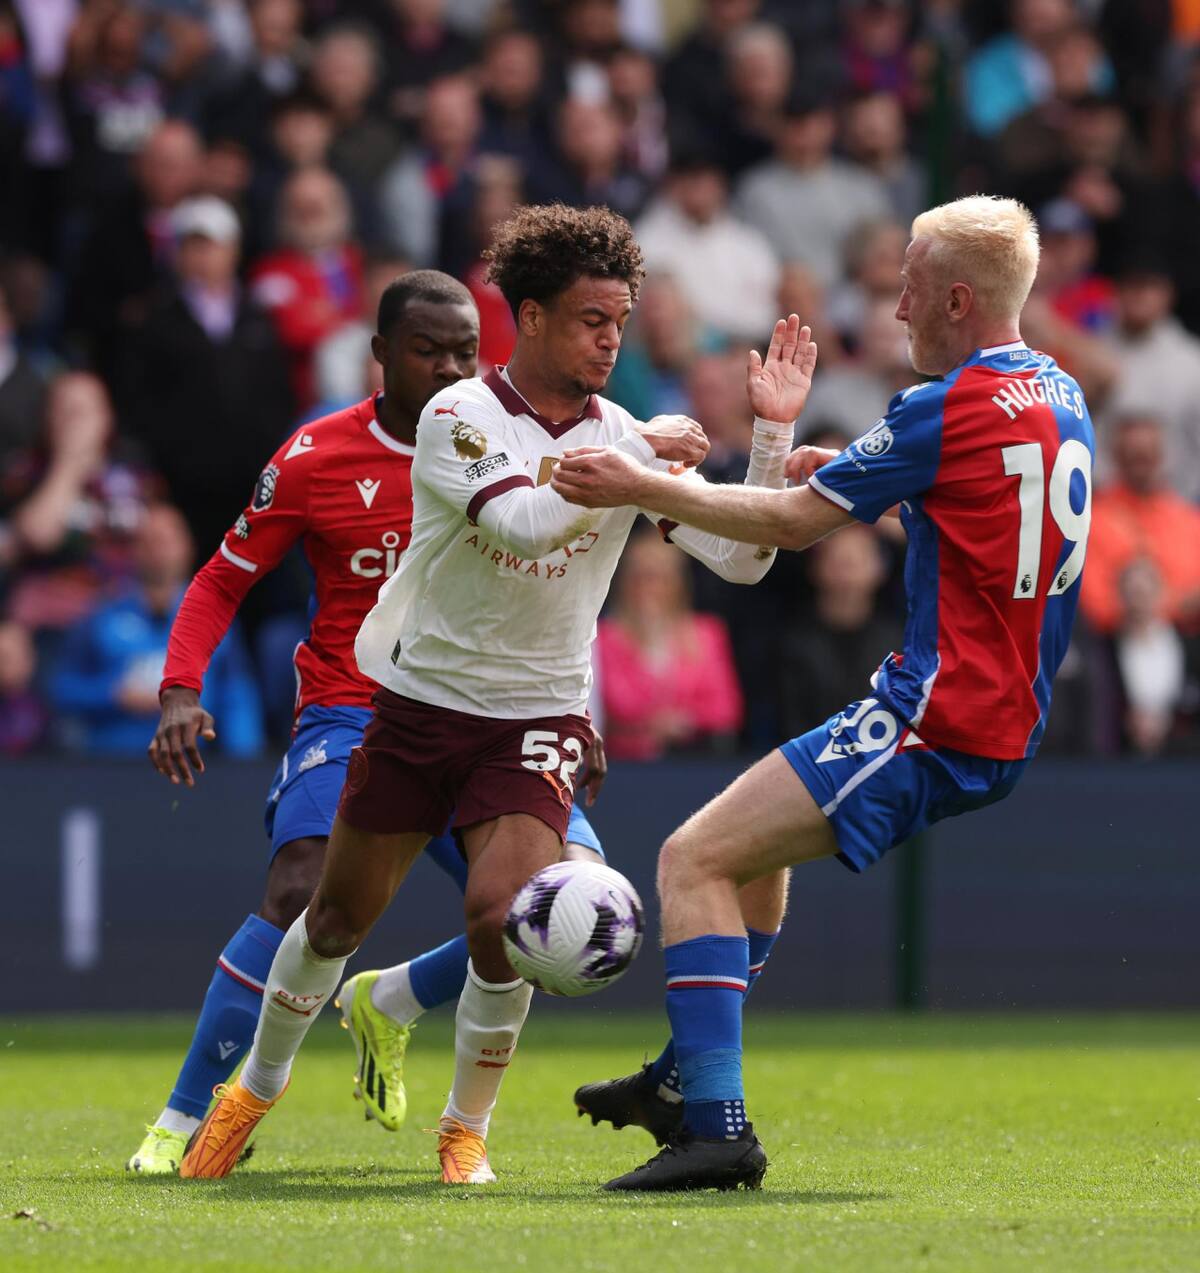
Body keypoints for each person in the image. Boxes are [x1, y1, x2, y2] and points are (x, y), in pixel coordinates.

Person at [178, 203, 801, 1186]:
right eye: (594, 320)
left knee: (506, 917)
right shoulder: (458, 414)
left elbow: (743, 558)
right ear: (534, 317)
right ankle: (252, 1088)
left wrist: (765, 440)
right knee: (334, 920)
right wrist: (642, 466)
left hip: (538, 717)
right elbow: (522, 524)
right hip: (419, 704)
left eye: (623, 323)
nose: (611, 341)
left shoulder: (623, 435)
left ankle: (464, 1129)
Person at [553, 195, 1095, 1191]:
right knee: (748, 859)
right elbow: (985, 526)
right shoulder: (1060, 392)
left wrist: (640, 486)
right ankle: (678, 1079)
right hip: (999, 714)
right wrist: (855, 479)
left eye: (913, 291)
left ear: (960, 299)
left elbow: (793, 528)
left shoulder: (946, 404)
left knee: (691, 858)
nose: (896, 311)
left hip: (935, 714)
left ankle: (715, 1129)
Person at [124, 270, 600, 1175]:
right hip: (356, 706)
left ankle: (394, 1000)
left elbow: (562, 588)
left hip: (496, 710)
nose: (452, 366)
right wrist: (181, 687)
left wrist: (575, 713)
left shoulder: (519, 443)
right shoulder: (315, 455)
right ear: (380, 356)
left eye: (466, 349)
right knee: (305, 889)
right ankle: (189, 1116)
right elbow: (224, 575)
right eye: (429, 350)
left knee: (561, 908)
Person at [51, 503, 263, 757]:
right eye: (148, 541)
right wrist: (113, 695)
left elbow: (237, 695)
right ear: (134, 551)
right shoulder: (100, 617)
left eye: (166, 541)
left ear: (188, 547)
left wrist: (243, 765)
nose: (157, 550)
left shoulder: (217, 618)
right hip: (110, 766)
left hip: (192, 769)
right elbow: (61, 688)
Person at [596, 528, 743, 761]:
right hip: (623, 766)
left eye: (660, 576)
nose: (648, 587)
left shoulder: (706, 633)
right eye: (639, 576)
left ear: (678, 582)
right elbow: (610, 706)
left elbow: (726, 710)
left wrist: (686, 720)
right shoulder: (602, 638)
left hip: (691, 765)